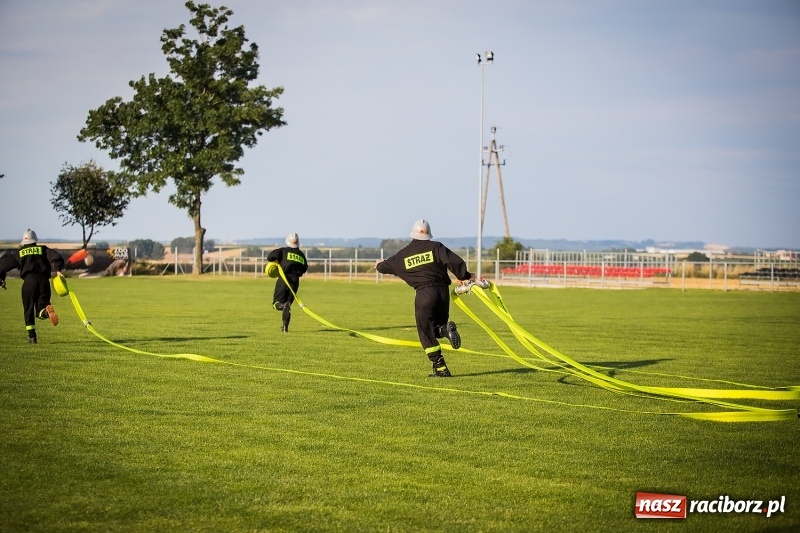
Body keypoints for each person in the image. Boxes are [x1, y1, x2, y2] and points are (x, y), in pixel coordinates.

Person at [375, 219, 475, 377]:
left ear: (413, 234)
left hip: (425, 294)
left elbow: (385, 266)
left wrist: (379, 265)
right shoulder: (436, 247)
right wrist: (466, 276)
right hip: (443, 293)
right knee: (436, 328)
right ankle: (445, 330)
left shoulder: (404, 255)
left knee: (426, 332)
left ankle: (440, 367)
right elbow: (453, 261)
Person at [0, 229, 65, 344]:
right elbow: (57, 257)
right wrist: (58, 270)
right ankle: (46, 312)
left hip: (29, 282)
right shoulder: (43, 249)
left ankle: (32, 337)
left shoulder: (19, 253)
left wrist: (2, 280)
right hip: (44, 282)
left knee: (28, 309)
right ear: (35, 240)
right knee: (40, 309)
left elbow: (3, 267)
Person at [267, 232, 308, 333]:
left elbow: (270, 256)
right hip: (295, 282)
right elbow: (304, 268)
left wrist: (277, 261)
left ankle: (283, 306)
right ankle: (285, 328)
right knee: (288, 305)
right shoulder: (301, 255)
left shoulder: (283, 251)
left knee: (276, 303)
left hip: (284, 279)